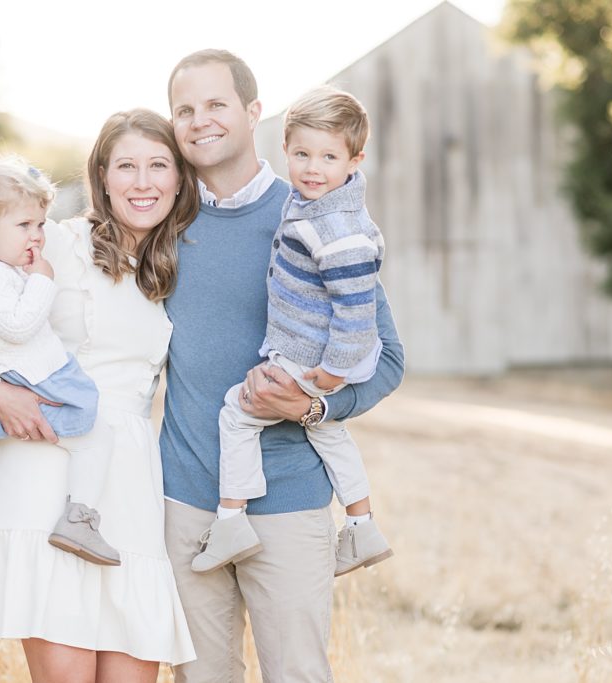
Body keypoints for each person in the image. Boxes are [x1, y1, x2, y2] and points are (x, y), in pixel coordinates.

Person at [0, 109, 197, 682]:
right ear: (101, 175)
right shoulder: (53, 244)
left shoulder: (173, 262)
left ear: (179, 177)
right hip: (46, 462)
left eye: (158, 165)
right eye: (126, 166)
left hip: (127, 478)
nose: (142, 182)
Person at [163, 49, 405, 682]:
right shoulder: (161, 222)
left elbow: (387, 358)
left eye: (216, 104)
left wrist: (314, 405)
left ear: (253, 113)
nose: (200, 121)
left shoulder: (313, 210)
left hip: (291, 503)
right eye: (184, 110)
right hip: (186, 502)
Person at [192, 86, 393, 578]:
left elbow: (355, 308)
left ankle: (232, 519)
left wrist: (331, 371)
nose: (311, 168)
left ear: (354, 159)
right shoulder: (316, 205)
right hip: (323, 349)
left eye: (328, 157)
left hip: (313, 352)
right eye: (301, 154)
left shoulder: (334, 224)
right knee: (329, 432)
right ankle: (362, 526)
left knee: (236, 416)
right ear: (285, 149)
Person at [0, 153, 121, 567]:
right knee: (95, 434)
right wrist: (41, 281)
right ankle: (80, 518)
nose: (37, 237)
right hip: (33, 374)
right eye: (25, 226)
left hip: (13, 371)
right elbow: (18, 326)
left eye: (39, 224)